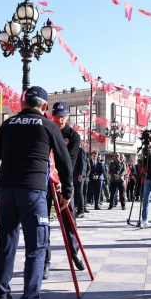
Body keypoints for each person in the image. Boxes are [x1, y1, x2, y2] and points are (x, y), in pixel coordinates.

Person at [0, 86, 71, 299]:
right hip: (32, 193)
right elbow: (64, 162)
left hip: (6, 191)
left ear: (23, 104)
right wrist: (68, 191)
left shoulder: (8, 124)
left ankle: (1, 296)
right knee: (36, 249)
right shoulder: (48, 126)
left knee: (5, 244)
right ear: (44, 107)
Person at [44, 102, 85, 280]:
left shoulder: (73, 136)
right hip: (45, 182)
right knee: (42, 222)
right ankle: (45, 260)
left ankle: (74, 252)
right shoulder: (47, 130)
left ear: (68, 116)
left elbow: (70, 162)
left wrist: (62, 182)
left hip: (63, 183)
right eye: (56, 116)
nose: (59, 119)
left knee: (69, 221)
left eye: (62, 116)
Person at [74, 146, 88, 218]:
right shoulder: (72, 148)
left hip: (80, 175)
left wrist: (81, 174)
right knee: (76, 192)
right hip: (74, 174)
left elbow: (83, 163)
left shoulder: (80, 150)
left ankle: (81, 211)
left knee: (80, 191)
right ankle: (77, 208)